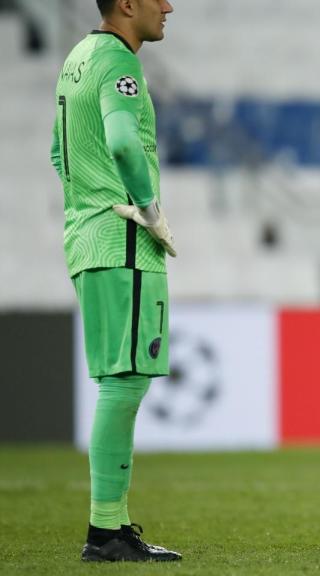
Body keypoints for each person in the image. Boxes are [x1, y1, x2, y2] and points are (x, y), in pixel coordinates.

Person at [52, 0, 181, 561]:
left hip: (87, 236)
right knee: (125, 381)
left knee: (118, 379)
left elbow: (59, 154)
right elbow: (125, 144)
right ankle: (105, 531)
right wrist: (148, 210)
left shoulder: (77, 58)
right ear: (128, 4)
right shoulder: (119, 64)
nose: (168, 6)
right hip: (123, 239)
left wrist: (87, 206)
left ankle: (111, 527)